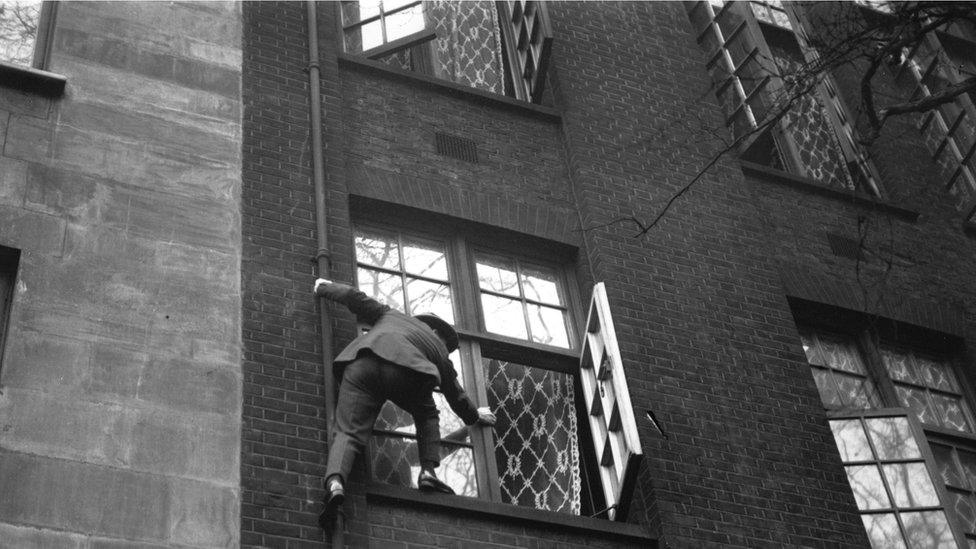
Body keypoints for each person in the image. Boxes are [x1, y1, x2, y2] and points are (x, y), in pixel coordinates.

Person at [313, 278, 496, 528]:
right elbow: (456, 396)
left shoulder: (391, 315)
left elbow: (356, 298)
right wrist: (475, 417)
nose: (446, 349)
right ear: (437, 333)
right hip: (406, 373)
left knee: (347, 432)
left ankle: (335, 482)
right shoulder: (438, 350)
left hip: (361, 365)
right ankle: (429, 473)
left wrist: (324, 287)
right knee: (428, 414)